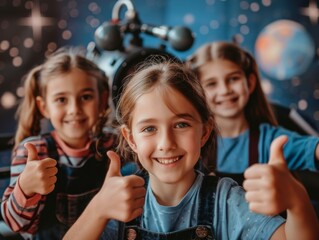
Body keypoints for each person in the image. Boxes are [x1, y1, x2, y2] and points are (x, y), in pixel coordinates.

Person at [63, 59, 319, 240]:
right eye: (149, 129)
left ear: (204, 131)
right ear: (130, 139)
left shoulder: (226, 201)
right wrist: (97, 210)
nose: (166, 143)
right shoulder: (116, 203)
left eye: (181, 124)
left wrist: (297, 201)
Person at [0, 47, 136, 239]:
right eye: (61, 99)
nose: (74, 109)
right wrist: (25, 188)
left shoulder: (113, 144)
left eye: (86, 97)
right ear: (44, 107)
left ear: (103, 100)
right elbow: (15, 224)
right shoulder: (33, 152)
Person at [186, 41, 319, 177]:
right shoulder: (192, 141)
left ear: (250, 83)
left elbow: (312, 148)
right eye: (211, 84)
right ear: (198, 92)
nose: (224, 90)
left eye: (233, 79)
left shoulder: (269, 140)